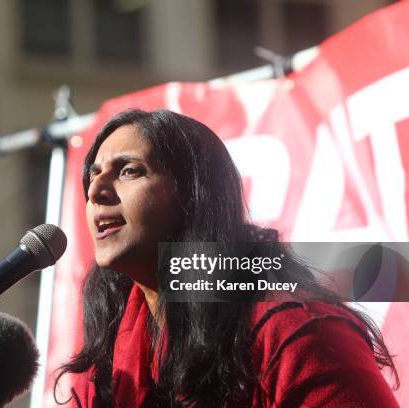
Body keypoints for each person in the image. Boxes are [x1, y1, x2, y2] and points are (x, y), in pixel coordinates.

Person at [55, 109, 399, 407]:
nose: (96, 191)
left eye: (129, 170)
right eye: (93, 175)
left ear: (193, 195)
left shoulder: (296, 333)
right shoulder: (102, 365)